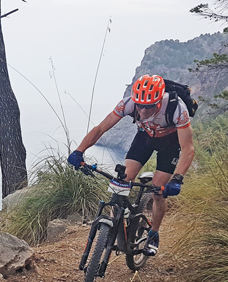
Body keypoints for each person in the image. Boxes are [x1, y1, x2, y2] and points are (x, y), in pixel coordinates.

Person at [67, 74, 195, 256]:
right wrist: (80, 150)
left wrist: (177, 179)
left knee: (157, 192)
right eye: (139, 105)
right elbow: (100, 129)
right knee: (123, 179)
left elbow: (188, 148)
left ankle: (153, 234)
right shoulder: (128, 103)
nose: (142, 111)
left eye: (148, 106)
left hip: (170, 144)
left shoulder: (176, 108)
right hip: (144, 139)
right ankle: (112, 226)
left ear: (159, 101)